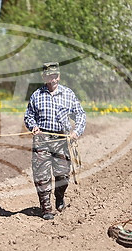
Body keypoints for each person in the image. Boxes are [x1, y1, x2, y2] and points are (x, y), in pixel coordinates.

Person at [24, 62, 86, 220]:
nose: (53, 79)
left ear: (59, 76)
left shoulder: (68, 94)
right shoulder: (36, 95)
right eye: (50, 76)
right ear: (44, 77)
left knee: (63, 176)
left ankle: (59, 196)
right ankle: (46, 208)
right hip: (42, 140)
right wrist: (34, 126)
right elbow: (29, 116)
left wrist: (76, 131)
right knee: (41, 175)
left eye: (56, 75)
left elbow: (80, 114)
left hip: (62, 140)